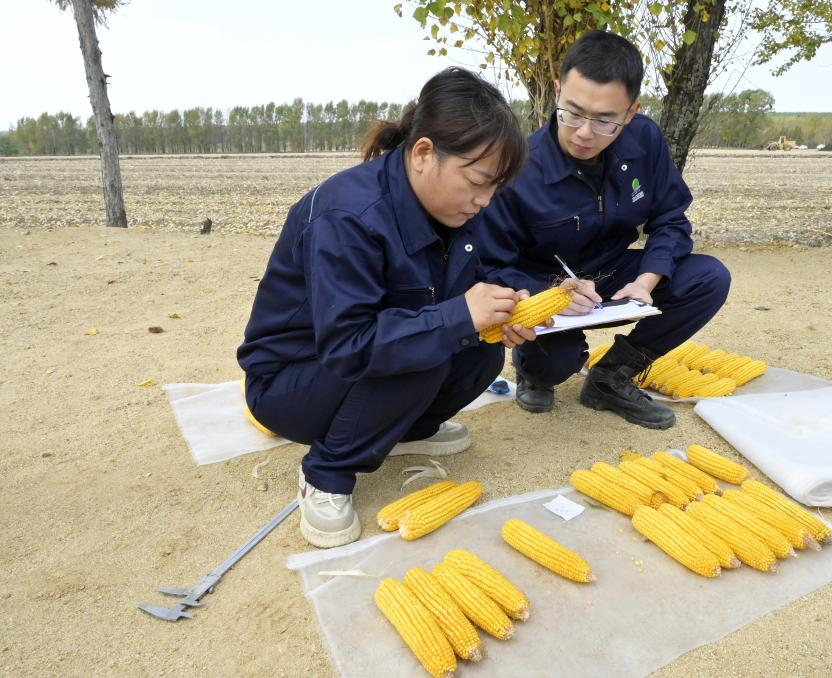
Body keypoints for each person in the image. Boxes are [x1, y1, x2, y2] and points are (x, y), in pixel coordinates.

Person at [237, 68, 530, 548]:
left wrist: (508, 306)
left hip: (359, 362)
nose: (485, 201)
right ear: (423, 154)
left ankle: (405, 431)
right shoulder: (348, 216)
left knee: (480, 351)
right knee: (427, 348)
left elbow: (481, 276)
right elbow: (348, 344)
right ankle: (326, 472)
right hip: (293, 378)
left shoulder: (456, 205)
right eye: (478, 181)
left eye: (496, 187)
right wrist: (459, 317)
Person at [474, 30, 731, 430]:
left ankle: (611, 377)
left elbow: (671, 219)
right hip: (548, 289)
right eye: (573, 112)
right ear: (557, 91)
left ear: (631, 111)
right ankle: (533, 371)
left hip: (614, 273)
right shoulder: (519, 168)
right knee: (555, 363)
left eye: (605, 120)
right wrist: (550, 293)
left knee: (709, 278)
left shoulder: (645, 140)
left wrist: (646, 281)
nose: (583, 132)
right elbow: (491, 264)